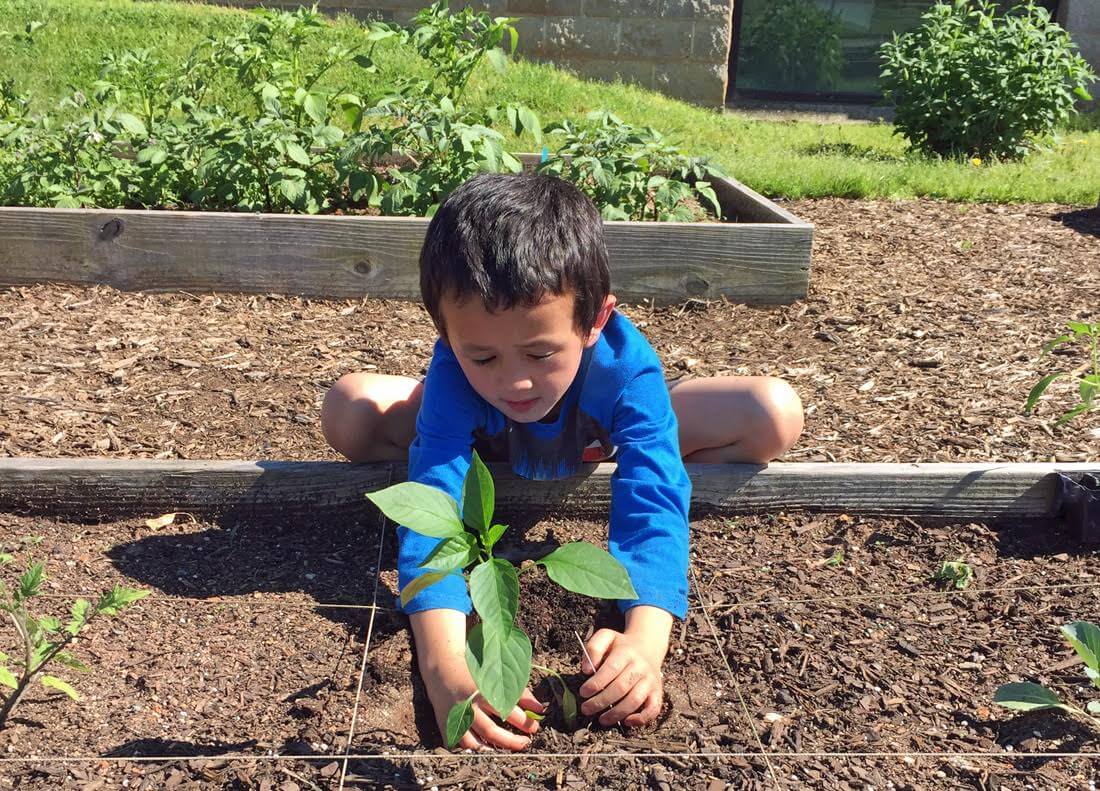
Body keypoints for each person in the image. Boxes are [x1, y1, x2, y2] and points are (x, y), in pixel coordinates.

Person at [321, 173, 803, 751]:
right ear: (446, 337)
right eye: (483, 355)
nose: (516, 379)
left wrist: (645, 642)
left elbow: (652, 495)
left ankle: (631, 426)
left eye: (540, 352)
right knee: (350, 411)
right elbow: (434, 501)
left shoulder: (626, 366)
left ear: (595, 321)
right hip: (487, 444)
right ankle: (444, 422)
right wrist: (445, 668)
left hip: (597, 435)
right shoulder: (457, 372)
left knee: (772, 414)